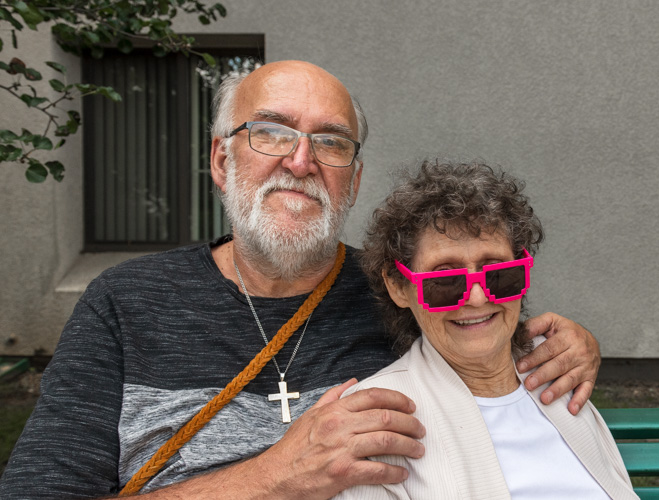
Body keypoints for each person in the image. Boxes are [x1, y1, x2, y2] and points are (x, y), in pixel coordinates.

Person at [0, 61, 601, 499]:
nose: (300, 161)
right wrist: (272, 476)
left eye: (330, 143)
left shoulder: (404, 292)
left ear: (355, 181)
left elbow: (485, 322)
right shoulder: (125, 303)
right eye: (271, 132)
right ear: (221, 160)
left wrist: (566, 344)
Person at [336, 160, 636, 499]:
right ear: (399, 287)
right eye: (445, 281)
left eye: (498, 274)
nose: (477, 298)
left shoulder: (556, 364)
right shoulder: (377, 417)